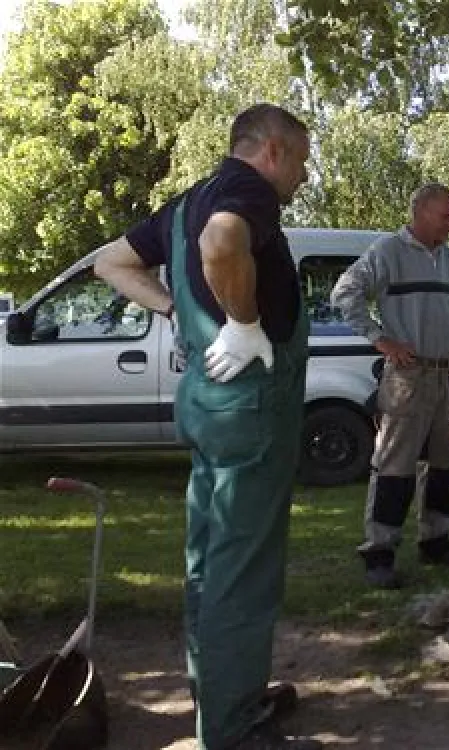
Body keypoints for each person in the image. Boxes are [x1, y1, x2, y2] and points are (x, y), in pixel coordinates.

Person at [95, 104, 320, 750]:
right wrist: (244, 325)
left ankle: (223, 694)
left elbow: (109, 264)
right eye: (301, 161)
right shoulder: (245, 189)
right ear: (272, 150)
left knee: (209, 559)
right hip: (249, 406)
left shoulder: (185, 201)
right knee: (242, 570)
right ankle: (232, 729)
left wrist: (175, 310)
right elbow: (222, 244)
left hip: (207, 402)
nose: (302, 177)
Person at [331, 182, 449, 588]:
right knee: (394, 465)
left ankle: (436, 540)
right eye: (446, 215)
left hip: (443, 378)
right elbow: (345, 293)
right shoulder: (387, 252)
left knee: (442, 464)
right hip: (408, 378)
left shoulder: (448, 259)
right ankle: (379, 551)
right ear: (421, 212)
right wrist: (381, 339)